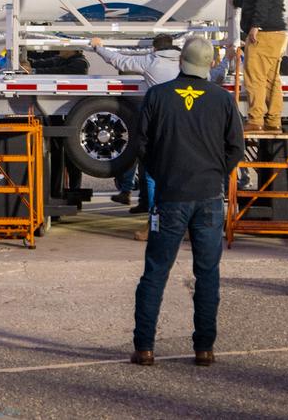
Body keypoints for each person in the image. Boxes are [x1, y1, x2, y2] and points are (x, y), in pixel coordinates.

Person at [131, 38, 245, 368]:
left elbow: (141, 145)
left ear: (181, 60)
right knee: (207, 274)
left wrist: (162, 173)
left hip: (170, 195)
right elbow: (236, 148)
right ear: (210, 65)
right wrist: (216, 173)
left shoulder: (157, 96)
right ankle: (204, 348)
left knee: (155, 272)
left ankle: (145, 348)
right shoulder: (222, 100)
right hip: (209, 196)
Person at [90, 34, 181, 217]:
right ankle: (168, 210)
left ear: (155, 48)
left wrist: (98, 47)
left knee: (151, 171)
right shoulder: (184, 61)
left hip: (158, 123)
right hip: (182, 123)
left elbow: (120, 61)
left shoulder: (152, 61)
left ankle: (155, 217)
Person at [231, 0, 288, 132]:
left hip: (264, 33)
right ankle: (273, 121)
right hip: (276, 33)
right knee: (271, 79)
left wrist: (256, 26)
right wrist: (236, 1)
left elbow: (263, 0)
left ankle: (255, 120)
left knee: (255, 77)